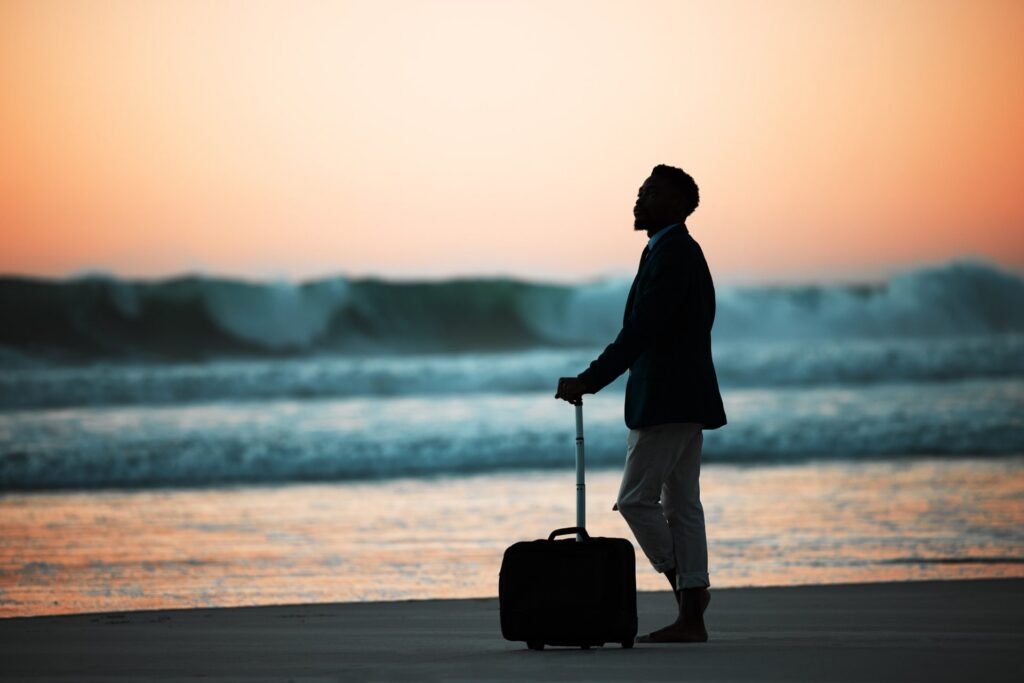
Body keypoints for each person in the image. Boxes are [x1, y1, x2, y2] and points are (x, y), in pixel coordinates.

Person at [554, 164, 727, 643]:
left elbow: (641, 330)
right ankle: (692, 610)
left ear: (676, 205)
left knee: (635, 500)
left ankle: (689, 597)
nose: (639, 199)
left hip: (668, 398)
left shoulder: (674, 254)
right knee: (683, 505)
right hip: (682, 395)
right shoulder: (670, 251)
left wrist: (589, 380)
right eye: (641, 190)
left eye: (650, 193)